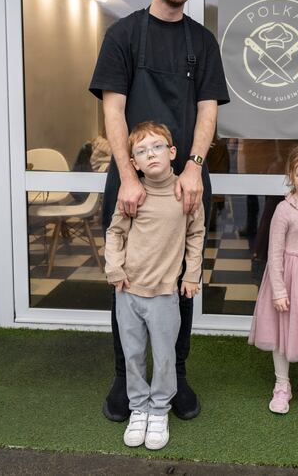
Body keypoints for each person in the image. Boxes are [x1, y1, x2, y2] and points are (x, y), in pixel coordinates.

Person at [89, 0, 230, 422]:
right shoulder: (123, 36)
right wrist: (128, 176)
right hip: (131, 182)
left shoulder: (202, 43)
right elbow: (114, 112)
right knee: (125, 280)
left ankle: (178, 375)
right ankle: (123, 376)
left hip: (184, 181)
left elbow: (208, 112)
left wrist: (193, 166)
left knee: (182, 281)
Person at [105, 121, 205, 450]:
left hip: (164, 295)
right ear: (133, 163)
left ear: (172, 152)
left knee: (164, 357)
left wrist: (191, 275)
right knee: (132, 355)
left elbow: (196, 235)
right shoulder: (133, 194)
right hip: (128, 292)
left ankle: (160, 409)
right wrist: (114, 268)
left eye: (157, 147)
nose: (151, 154)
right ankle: (139, 409)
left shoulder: (186, 193)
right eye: (142, 151)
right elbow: (115, 233)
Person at [248, 144, 298, 414]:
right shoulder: (284, 209)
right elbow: (274, 253)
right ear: (291, 176)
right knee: (281, 331)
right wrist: (279, 290)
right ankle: (282, 384)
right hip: (287, 278)